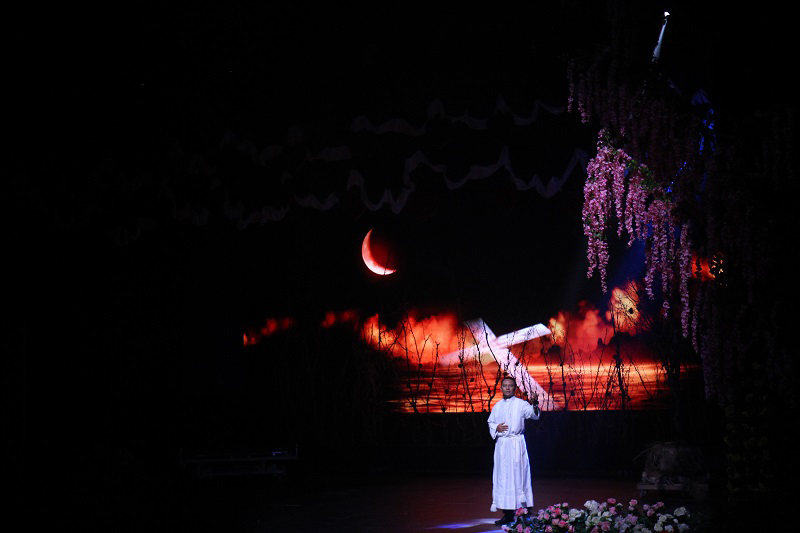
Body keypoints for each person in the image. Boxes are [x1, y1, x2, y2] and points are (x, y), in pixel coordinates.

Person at [487, 375, 541, 525]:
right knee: (504, 478)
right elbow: (490, 422)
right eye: (505, 385)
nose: (508, 388)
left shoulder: (521, 404)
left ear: (515, 388)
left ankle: (524, 514)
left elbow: (533, 415)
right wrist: (496, 427)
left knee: (519, 477)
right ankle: (508, 514)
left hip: (517, 445)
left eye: (510, 385)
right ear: (501, 388)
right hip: (502, 446)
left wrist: (534, 403)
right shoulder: (497, 406)